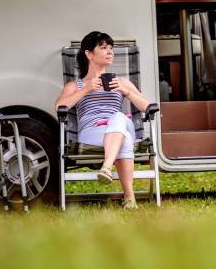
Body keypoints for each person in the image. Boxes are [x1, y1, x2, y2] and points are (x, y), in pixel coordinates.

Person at [54, 31, 150, 210]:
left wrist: (126, 91)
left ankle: (106, 167)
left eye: (111, 48)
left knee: (118, 117)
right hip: (92, 132)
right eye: (104, 47)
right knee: (125, 139)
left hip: (119, 123)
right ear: (89, 54)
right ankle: (130, 199)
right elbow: (60, 107)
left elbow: (147, 106)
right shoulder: (75, 86)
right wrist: (87, 89)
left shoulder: (120, 81)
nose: (110, 52)